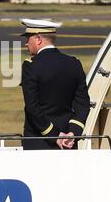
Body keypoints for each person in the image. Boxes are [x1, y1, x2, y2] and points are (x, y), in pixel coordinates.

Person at [20, 18, 90, 150]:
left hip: (39, 141)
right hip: (68, 143)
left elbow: (32, 107)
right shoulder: (74, 63)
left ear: (38, 39)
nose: (26, 43)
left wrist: (55, 135)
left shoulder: (31, 66)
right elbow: (83, 104)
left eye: (28, 38)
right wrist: (72, 133)